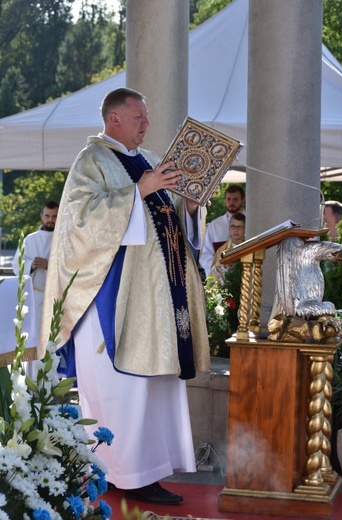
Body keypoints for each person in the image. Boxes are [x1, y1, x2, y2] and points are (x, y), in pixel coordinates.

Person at [39, 87, 210, 505]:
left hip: (158, 301)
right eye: (140, 118)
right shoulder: (91, 162)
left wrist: (188, 207)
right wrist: (138, 192)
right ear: (115, 119)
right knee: (125, 389)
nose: (147, 125)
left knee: (157, 387)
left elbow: (169, 220)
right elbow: (80, 224)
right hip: (112, 301)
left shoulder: (149, 160)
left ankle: (150, 468)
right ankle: (125, 473)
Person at [12, 200, 59, 336]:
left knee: (53, 335)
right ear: (41, 216)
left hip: (56, 296)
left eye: (54, 216)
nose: (51, 220)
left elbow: (71, 266)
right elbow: (16, 264)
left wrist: (48, 266)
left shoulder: (63, 240)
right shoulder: (29, 240)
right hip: (34, 296)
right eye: (47, 216)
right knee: (34, 334)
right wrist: (31, 265)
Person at [199, 184, 245, 276]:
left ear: (243, 201)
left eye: (235, 199)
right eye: (228, 199)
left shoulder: (252, 221)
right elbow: (205, 254)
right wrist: (218, 274)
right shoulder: (214, 225)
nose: (231, 202)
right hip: (220, 277)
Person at [209, 212, 245, 285]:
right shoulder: (221, 251)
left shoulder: (250, 248)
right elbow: (214, 274)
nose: (236, 230)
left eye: (239, 227)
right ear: (229, 228)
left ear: (245, 228)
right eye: (233, 226)